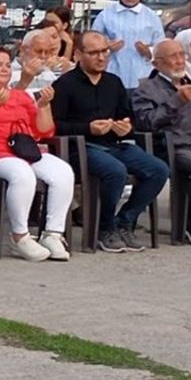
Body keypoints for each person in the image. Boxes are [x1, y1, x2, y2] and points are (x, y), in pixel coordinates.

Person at [50, 30, 169, 252]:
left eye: (105, 51)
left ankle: (124, 221)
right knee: (115, 171)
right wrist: (88, 128)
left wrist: (126, 127)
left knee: (159, 169)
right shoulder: (65, 85)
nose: (101, 57)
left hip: (113, 145)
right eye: (94, 53)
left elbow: (128, 119)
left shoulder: (113, 82)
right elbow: (54, 126)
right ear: (78, 54)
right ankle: (104, 228)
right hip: (80, 149)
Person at [0, 46, 73, 261]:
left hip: (26, 151)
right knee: (22, 174)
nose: (4, 69)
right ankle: (19, 236)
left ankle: (53, 234)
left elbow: (43, 131)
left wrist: (43, 105)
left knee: (63, 171)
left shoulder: (20, 96)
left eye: (6, 65)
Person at [132, 38, 191, 246]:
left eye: (182, 55)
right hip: (171, 147)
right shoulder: (146, 88)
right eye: (173, 57)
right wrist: (177, 101)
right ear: (157, 64)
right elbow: (146, 122)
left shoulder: (188, 82)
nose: (179, 61)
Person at [90, 0, 164, 90]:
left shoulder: (151, 16)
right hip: (113, 73)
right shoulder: (106, 14)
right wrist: (107, 47)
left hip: (143, 76)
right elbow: (93, 39)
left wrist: (148, 51)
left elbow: (161, 44)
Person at [10, 29, 67, 94]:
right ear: (23, 50)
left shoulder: (50, 74)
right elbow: (7, 102)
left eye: (47, 52)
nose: (43, 56)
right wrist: (23, 82)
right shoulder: (8, 72)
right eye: (39, 51)